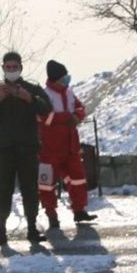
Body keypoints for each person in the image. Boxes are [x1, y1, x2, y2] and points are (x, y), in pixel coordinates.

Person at [0, 51, 53, 246]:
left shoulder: (32, 89)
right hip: (4, 150)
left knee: (30, 190)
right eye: (8, 67)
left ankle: (32, 228)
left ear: (20, 68)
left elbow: (47, 109)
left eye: (14, 67)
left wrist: (30, 99)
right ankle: (1, 230)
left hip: (28, 149)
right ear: (3, 68)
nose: (11, 70)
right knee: (3, 191)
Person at [38, 60, 97, 229]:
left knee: (78, 179)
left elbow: (80, 108)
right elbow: (45, 117)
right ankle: (51, 214)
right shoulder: (44, 95)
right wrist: (66, 117)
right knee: (47, 183)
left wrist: (78, 115)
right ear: (55, 78)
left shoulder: (69, 92)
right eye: (64, 77)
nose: (67, 80)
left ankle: (79, 210)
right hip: (49, 149)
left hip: (71, 146)